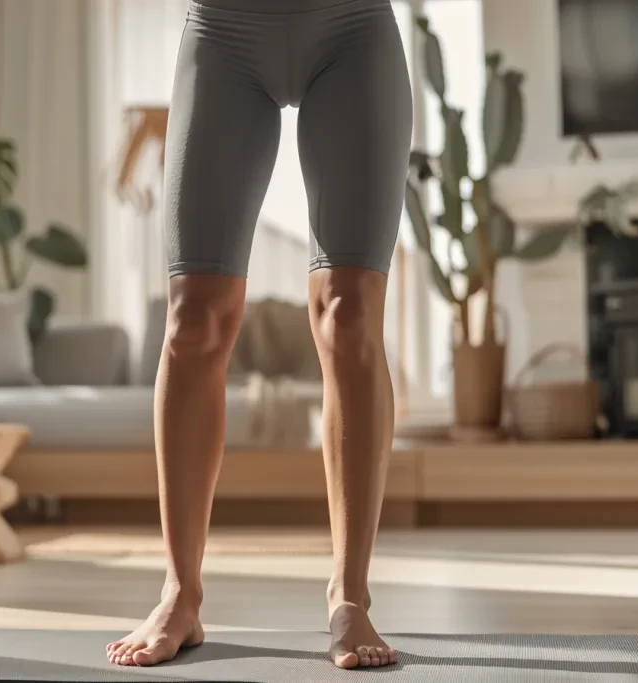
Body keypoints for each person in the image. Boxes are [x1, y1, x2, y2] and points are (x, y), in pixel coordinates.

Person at [105, 0, 412, 670]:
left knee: (348, 311)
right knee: (194, 318)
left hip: (351, 28)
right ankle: (180, 591)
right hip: (225, 31)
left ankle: (349, 594)